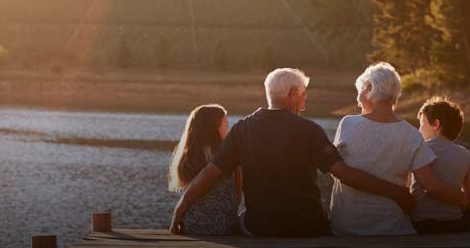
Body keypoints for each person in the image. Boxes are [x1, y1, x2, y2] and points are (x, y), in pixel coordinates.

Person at [170, 68, 414, 237]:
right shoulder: (310, 130)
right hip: (308, 227)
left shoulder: (242, 129)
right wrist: (396, 192)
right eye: (303, 96)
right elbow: (344, 174)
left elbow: (208, 175)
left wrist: (179, 213)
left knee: (243, 219)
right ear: (294, 94)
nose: (305, 104)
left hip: (260, 227)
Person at [329, 62, 468, 236]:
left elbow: (337, 171)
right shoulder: (412, 135)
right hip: (392, 228)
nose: (357, 100)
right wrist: (461, 197)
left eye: (360, 92)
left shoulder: (348, 123)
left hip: (347, 227)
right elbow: (430, 184)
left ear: (370, 88)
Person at [168, 104, 242, 235]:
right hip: (225, 227)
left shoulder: (189, 157)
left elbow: (192, 193)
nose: (228, 131)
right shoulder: (230, 157)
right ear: (213, 129)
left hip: (193, 225)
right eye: (226, 126)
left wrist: (176, 220)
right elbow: (237, 196)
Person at [411, 96, 470, 233]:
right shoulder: (465, 154)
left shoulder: (417, 150)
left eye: (422, 124)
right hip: (452, 222)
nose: (419, 129)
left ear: (436, 124)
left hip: (419, 223)